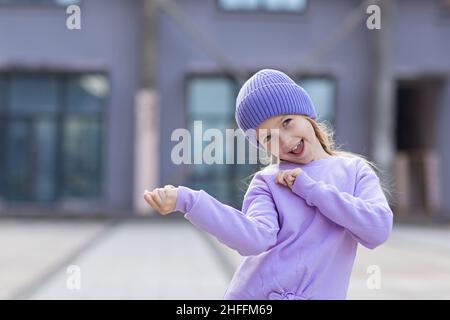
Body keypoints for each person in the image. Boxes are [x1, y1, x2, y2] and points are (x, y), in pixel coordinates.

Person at [144, 69, 393, 300]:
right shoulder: (268, 182)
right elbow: (254, 239)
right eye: (268, 137)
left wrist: (310, 190)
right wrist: (188, 201)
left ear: (307, 115)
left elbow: (377, 229)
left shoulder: (354, 171)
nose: (285, 140)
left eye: (287, 122)